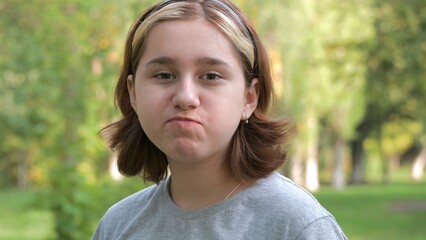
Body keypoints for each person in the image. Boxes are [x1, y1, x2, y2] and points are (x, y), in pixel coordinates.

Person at [93, 0, 348, 239]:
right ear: (133, 93)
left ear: (249, 98)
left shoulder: (295, 225)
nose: (185, 97)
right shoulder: (118, 226)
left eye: (211, 76)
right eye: (163, 75)